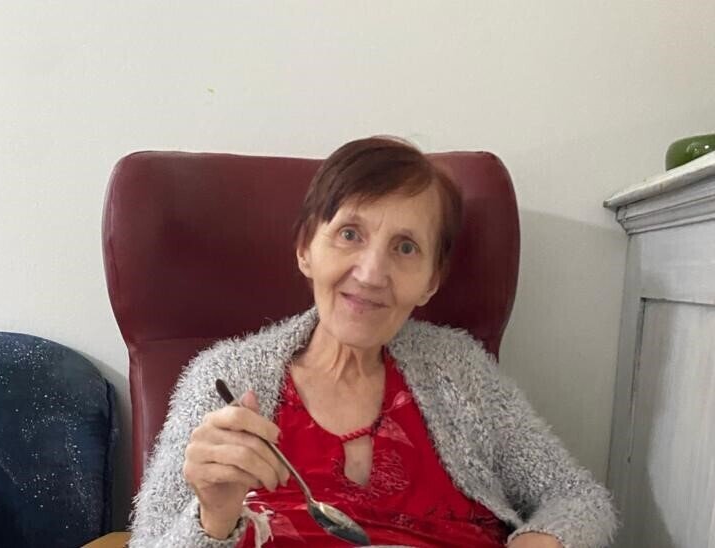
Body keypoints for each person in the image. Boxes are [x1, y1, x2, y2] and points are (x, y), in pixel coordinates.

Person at [129, 137, 617, 547]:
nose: (370, 273)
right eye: (349, 234)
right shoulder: (225, 381)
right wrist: (213, 517)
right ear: (305, 249)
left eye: (405, 247)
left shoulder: (460, 371)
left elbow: (578, 497)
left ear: (430, 281)